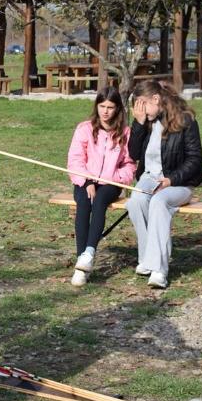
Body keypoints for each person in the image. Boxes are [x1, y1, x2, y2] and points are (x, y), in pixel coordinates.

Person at [125, 80, 202, 289]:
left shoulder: (185, 120)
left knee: (159, 202)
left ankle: (159, 269)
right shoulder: (147, 122)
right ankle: (147, 258)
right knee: (135, 202)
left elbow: (195, 160)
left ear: (156, 99)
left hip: (179, 183)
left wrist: (171, 180)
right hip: (149, 179)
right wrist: (139, 123)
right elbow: (132, 154)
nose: (139, 109)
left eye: (142, 104)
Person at [67, 87, 136, 286]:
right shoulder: (84, 129)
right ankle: (82, 262)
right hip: (84, 180)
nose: (105, 111)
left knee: (99, 202)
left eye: (110, 107)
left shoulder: (125, 133)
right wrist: (88, 181)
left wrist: (116, 177)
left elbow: (130, 164)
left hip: (111, 183)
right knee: (84, 203)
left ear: (117, 109)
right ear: (96, 106)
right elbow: (75, 159)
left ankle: (88, 253)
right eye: (102, 106)